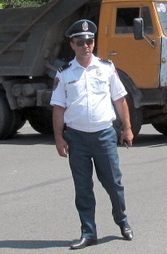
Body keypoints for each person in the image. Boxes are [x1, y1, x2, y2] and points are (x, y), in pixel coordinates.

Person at [50, 19, 134, 250]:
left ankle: (122, 221)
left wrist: (127, 128)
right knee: (83, 188)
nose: (87, 45)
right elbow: (58, 106)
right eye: (81, 42)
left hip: (104, 135)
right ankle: (89, 232)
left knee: (113, 185)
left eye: (90, 41)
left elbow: (119, 99)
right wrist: (59, 137)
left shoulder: (107, 68)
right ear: (73, 44)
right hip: (77, 138)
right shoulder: (65, 74)